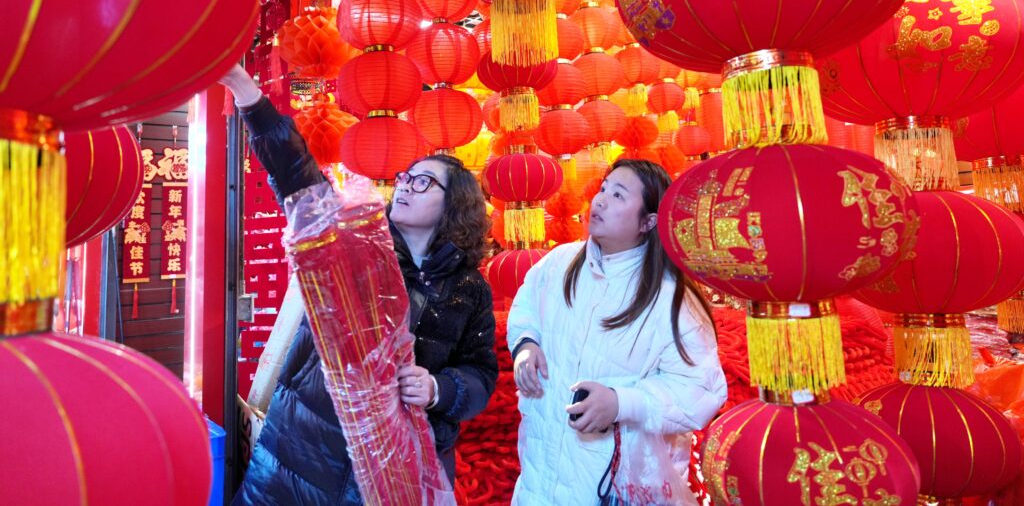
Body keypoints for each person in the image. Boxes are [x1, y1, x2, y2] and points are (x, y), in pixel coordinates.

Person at [219, 66, 498, 505]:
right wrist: (247, 93)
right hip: (306, 447)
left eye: (422, 181)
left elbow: (481, 373)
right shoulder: (353, 244)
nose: (404, 186)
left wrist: (439, 388)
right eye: (405, 178)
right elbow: (296, 177)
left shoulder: (469, 288)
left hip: (396, 473)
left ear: (455, 203)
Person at [507, 159, 727, 506]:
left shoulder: (671, 298)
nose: (601, 201)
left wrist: (622, 402)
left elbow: (701, 390)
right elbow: (525, 307)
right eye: (604, 188)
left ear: (648, 221)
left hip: (619, 486)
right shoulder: (560, 262)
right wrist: (525, 343)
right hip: (540, 472)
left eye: (619, 195)